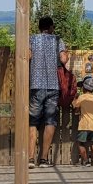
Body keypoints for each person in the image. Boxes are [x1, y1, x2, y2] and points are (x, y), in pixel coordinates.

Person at [27, 16, 68, 167]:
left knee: (33, 121)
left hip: (36, 85)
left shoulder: (32, 39)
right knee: (50, 121)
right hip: (53, 86)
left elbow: (28, 56)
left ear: (39, 27)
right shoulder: (57, 40)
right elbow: (63, 59)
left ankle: (30, 158)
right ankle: (43, 158)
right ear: (51, 27)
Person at [72, 75, 93, 166]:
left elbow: (76, 110)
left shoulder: (81, 97)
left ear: (84, 87)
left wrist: (75, 99)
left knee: (81, 143)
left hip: (84, 125)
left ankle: (86, 161)